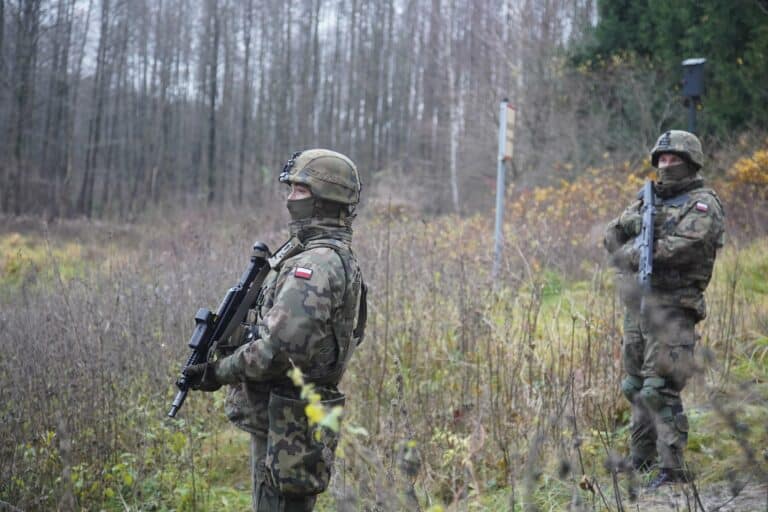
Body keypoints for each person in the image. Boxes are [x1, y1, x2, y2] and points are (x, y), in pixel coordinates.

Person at [184, 148, 367, 511]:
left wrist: (217, 372)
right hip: (291, 418)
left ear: (324, 198)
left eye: (300, 189)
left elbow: (278, 353)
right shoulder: (322, 254)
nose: (290, 198)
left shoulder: (315, 265)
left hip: (288, 423)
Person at [604, 130, 725, 488]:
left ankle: (673, 470)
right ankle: (641, 460)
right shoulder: (646, 199)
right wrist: (632, 226)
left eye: (673, 159)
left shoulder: (703, 204)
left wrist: (635, 249)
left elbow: (680, 248)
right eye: (662, 159)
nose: (666, 164)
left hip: (675, 307)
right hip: (639, 304)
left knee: (660, 388)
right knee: (635, 386)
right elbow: (611, 237)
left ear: (690, 162)